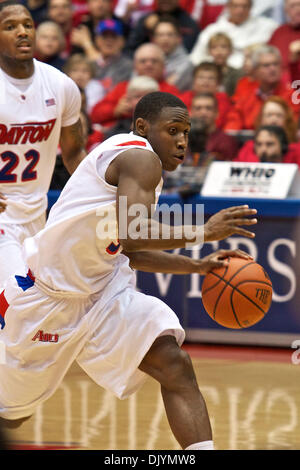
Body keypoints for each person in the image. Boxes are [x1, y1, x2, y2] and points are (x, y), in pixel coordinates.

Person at [0, 91, 258, 450]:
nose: (182, 141)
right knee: (12, 414)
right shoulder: (140, 157)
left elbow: (128, 251)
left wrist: (197, 266)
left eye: (186, 132)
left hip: (103, 292)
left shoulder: (144, 170)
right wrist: (204, 231)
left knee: (173, 362)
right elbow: (133, 233)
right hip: (47, 297)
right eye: (173, 130)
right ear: (143, 127)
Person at [0, 1, 86, 287]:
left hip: (37, 216)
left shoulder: (60, 85)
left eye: (27, 25)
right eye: (10, 27)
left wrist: (99, 190)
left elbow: (74, 152)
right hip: (2, 217)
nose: (22, 32)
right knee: (17, 295)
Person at [90, 42, 182, 130]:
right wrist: (115, 111)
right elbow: (94, 114)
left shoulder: (171, 92)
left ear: (163, 66)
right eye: (143, 61)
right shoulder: (122, 88)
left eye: (154, 61)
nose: (148, 64)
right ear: (135, 65)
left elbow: (180, 118)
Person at [224, 45, 299, 131]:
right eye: (266, 65)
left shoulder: (292, 96)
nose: (272, 69)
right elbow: (233, 123)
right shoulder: (246, 95)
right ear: (255, 70)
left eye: (276, 64)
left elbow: (293, 127)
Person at [189, 0, 278, 70]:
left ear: (251, 8)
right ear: (228, 7)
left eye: (244, 6)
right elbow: (196, 58)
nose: (240, 10)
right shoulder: (212, 30)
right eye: (236, 6)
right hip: (217, 75)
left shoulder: (266, 27)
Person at [70, 18, 133, 97]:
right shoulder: (88, 63)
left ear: (122, 41)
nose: (109, 41)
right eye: (105, 36)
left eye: (114, 36)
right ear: (97, 40)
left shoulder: (128, 66)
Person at [125, 0, 200, 56]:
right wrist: (145, 30)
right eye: (160, 35)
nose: (165, 0)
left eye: (170, 34)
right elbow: (130, 50)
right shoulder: (145, 20)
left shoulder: (189, 24)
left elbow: (188, 52)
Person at [187, 92, 239, 165]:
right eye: (198, 108)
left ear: (217, 113)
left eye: (208, 108)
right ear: (190, 113)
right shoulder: (181, 139)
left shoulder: (226, 142)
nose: (203, 112)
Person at [181, 62, 233, 129]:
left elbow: (226, 121)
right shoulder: (183, 99)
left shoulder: (223, 99)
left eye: (211, 78)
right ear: (194, 81)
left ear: (218, 83)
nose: (205, 82)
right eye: (201, 77)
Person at [151, 15, 194, 91]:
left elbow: (168, 90)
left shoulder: (187, 64)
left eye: (170, 34)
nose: (165, 39)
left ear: (179, 38)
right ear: (153, 39)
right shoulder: (146, 59)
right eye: (160, 35)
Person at [235, 125, 300, 166]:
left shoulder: (296, 156)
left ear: (283, 145)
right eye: (259, 144)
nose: (263, 149)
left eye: (269, 144)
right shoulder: (246, 159)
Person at [269, 0, 300, 81]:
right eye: (293, 6)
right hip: (279, 83)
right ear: (286, 10)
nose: (298, 9)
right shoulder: (279, 32)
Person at [207, 32, 243, 96]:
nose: (219, 51)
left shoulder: (237, 74)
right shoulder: (203, 71)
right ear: (209, 51)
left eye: (223, 47)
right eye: (214, 47)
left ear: (230, 50)